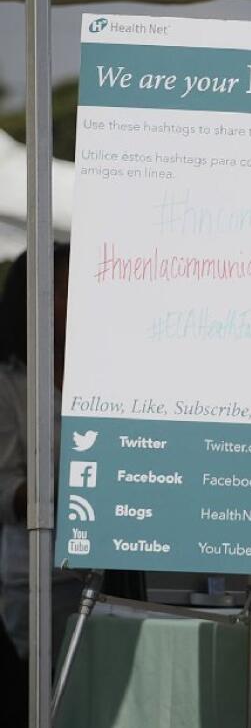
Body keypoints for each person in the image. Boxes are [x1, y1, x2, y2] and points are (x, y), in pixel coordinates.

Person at [0, 245, 83, 683]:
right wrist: (72, 492)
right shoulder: (10, 386)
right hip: (38, 584)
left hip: (100, 578)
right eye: (66, 290)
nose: (80, 301)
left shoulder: (96, 375)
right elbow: (4, 487)